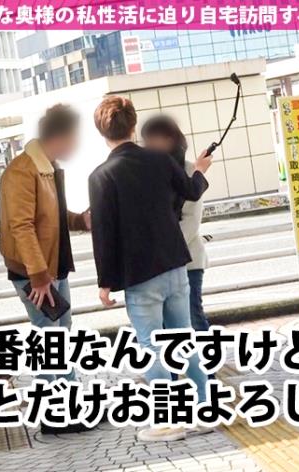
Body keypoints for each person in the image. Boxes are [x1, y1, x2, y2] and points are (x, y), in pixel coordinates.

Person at [88, 96, 213, 442]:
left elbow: (104, 232)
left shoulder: (101, 176)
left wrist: (105, 282)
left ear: (101, 132)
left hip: (140, 274)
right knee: (183, 340)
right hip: (175, 265)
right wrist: (200, 170)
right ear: (133, 125)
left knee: (152, 346)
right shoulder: (159, 159)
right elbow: (191, 191)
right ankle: (204, 410)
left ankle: (167, 421)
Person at [0, 105, 91, 434]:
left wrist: (79, 220)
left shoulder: (47, 168)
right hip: (34, 272)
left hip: (52, 268)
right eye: (75, 138)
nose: (76, 145)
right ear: (61, 137)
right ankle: (56, 413)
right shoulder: (23, 171)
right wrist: (38, 276)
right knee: (49, 339)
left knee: (58, 336)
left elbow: (50, 215)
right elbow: (21, 226)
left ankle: (67, 409)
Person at [141, 115, 210, 333]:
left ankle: (207, 356)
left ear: (170, 139)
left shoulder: (189, 171)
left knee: (193, 317)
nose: (147, 145)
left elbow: (191, 220)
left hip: (187, 261)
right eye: (146, 140)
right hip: (160, 264)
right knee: (165, 326)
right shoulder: (149, 172)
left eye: (153, 139)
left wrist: (163, 249)